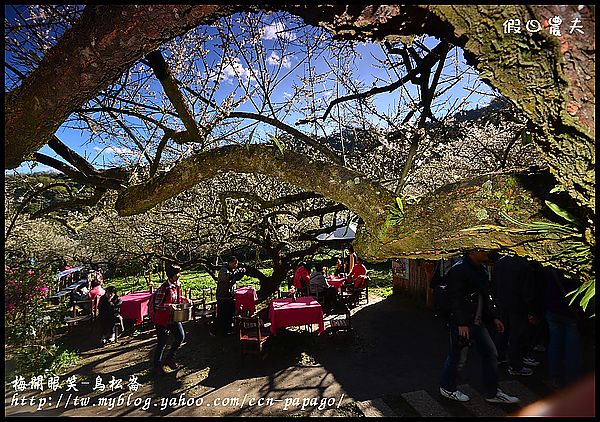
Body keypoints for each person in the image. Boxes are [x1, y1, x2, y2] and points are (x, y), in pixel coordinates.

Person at [439, 250, 520, 404]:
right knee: (458, 357)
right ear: (472, 252)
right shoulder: (459, 270)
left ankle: (492, 391)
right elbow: (455, 298)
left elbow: (483, 296)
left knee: (490, 353)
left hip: (476, 321)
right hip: (464, 322)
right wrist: (462, 323)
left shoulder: (478, 269)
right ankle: (447, 387)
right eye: (482, 250)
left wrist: (492, 317)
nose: (486, 252)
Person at [491, 254, 542, 376]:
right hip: (518, 306)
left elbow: (493, 284)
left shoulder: (500, 262)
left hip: (502, 302)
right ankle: (515, 365)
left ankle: (500, 356)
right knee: (517, 336)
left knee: (503, 332)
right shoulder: (524, 266)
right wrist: (532, 311)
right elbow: (528, 292)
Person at [543, 266, 583, 389]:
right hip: (571, 313)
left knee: (554, 344)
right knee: (572, 349)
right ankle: (573, 381)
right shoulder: (576, 272)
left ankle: (555, 377)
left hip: (553, 311)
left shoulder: (549, 268)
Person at [151, 263, 188, 375]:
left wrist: (185, 299)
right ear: (171, 275)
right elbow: (157, 304)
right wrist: (169, 306)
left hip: (174, 317)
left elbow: (177, 298)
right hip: (162, 319)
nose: (179, 275)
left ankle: (169, 358)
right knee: (162, 342)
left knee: (180, 337)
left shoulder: (177, 285)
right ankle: (157, 365)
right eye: (177, 273)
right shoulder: (164, 288)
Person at [212, 256, 246, 337]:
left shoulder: (231, 270)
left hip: (230, 295)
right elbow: (228, 277)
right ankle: (214, 331)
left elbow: (236, 278)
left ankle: (227, 330)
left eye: (237, 264)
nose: (236, 266)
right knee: (222, 314)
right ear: (230, 263)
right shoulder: (224, 270)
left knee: (230, 313)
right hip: (223, 296)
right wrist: (237, 271)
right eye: (234, 264)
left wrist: (242, 273)